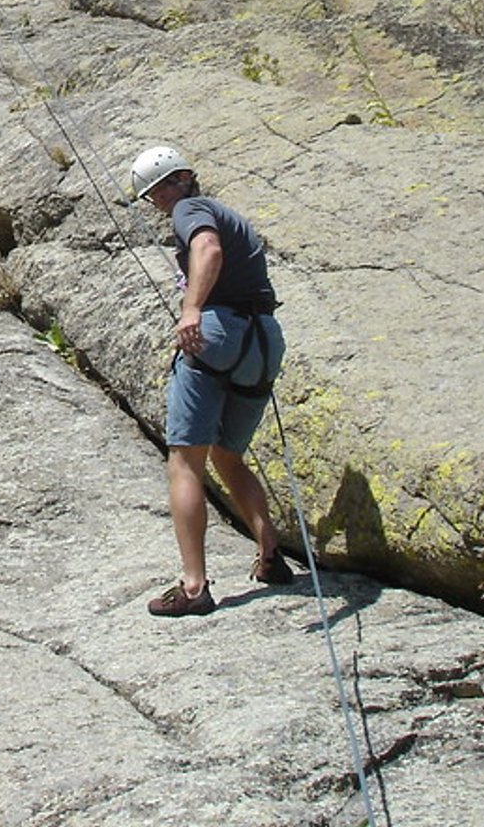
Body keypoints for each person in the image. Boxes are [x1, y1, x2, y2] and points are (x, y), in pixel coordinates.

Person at [128, 144, 295, 617]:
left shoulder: (190, 209)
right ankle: (270, 555)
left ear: (167, 185)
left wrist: (192, 308)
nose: (158, 206)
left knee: (184, 461)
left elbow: (207, 247)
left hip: (220, 334)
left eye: (154, 196)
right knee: (228, 455)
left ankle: (194, 587)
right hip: (264, 341)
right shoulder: (227, 212)